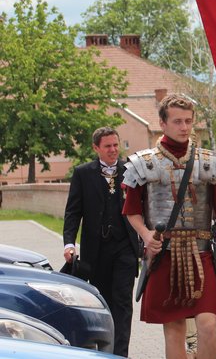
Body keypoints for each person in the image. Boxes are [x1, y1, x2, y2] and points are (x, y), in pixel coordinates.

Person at [122, 93, 216, 359]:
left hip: (201, 252)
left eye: (188, 121)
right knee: (174, 329)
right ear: (163, 123)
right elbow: (131, 211)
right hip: (164, 254)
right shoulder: (144, 163)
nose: (184, 127)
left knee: (208, 324)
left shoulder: (209, 162)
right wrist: (146, 236)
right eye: (177, 121)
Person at [62, 127, 139, 357]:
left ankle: (120, 354)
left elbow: (143, 206)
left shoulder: (131, 170)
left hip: (125, 247)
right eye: (108, 146)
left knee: (123, 302)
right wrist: (69, 243)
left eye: (116, 145)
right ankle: (104, 352)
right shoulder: (83, 173)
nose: (113, 150)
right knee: (103, 302)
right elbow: (73, 212)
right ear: (96, 148)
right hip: (96, 251)